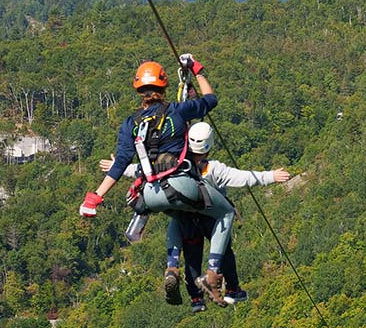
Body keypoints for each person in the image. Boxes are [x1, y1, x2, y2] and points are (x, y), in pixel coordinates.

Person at [79, 54, 236, 304]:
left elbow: (120, 164)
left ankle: (171, 267)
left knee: (177, 214)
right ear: (163, 86)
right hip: (181, 184)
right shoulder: (177, 111)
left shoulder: (131, 123)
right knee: (225, 212)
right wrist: (197, 69)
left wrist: (95, 197)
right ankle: (214, 272)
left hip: (149, 194)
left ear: (138, 89)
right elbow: (211, 99)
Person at [100, 122, 291, 311]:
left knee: (192, 256)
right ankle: (232, 288)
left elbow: (144, 170)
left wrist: (118, 166)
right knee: (224, 251)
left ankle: (193, 295)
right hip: (211, 219)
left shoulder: (177, 165)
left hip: (186, 220)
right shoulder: (214, 169)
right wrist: (270, 176)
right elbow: (242, 177)